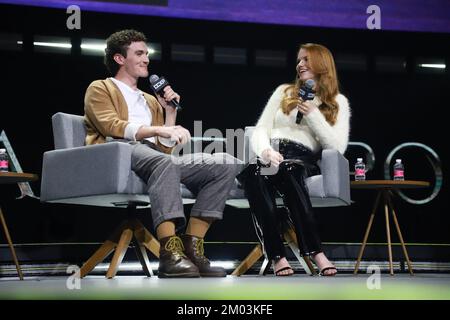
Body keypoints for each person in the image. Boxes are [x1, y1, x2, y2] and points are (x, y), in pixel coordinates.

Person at [84, 29, 239, 278]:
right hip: (118, 152)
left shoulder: (149, 99)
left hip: (154, 156)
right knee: (165, 164)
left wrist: (169, 112)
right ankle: (169, 254)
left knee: (225, 164)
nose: (146, 59)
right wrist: (159, 128)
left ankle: (192, 248)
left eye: (147, 53)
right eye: (139, 53)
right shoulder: (101, 87)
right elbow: (111, 126)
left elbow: (165, 147)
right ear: (119, 59)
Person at [238, 43, 350, 276]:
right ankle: (276, 255)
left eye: (306, 60)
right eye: (299, 60)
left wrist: (313, 114)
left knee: (290, 169)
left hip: (300, 158)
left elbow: (337, 147)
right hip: (272, 153)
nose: (300, 65)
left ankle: (315, 251)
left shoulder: (338, 102)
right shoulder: (284, 91)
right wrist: (265, 151)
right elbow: (261, 129)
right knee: (253, 172)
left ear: (322, 64)